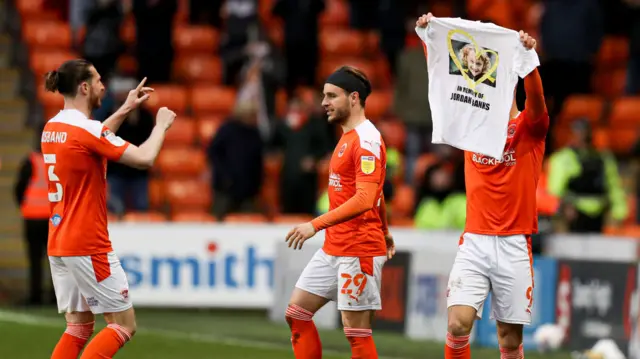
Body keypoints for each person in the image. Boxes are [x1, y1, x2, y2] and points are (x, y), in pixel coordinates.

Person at [417, 13, 549, 359]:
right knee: (457, 324)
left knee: (508, 339)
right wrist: (430, 36)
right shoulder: (473, 125)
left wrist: (528, 64)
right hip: (474, 241)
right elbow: (448, 83)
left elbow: (538, 106)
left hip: (514, 243)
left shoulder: (529, 131)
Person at [41, 59, 176, 359]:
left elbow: (94, 139)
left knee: (78, 328)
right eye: (99, 80)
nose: (104, 85)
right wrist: (161, 126)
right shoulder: (85, 130)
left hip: (59, 241)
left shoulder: (52, 127)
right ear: (84, 87)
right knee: (123, 325)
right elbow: (144, 158)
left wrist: (126, 108)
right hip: (88, 243)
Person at [284, 66, 396, 359]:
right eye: (324, 95)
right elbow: (377, 193)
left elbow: (365, 198)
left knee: (356, 333)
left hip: (358, 250)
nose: (324, 102)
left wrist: (314, 225)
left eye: (332, 96)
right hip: (335, 246)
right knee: (297, 313)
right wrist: (386, 231)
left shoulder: (367, 140)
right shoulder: (347, 137)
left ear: (354, 98)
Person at [14, 123, 53, 306]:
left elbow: (19, 187)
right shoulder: (57, 160)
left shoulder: (30, 161)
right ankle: (55, 297)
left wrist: (23, 205)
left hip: (32, 217)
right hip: (53, 218)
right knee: (55, 260)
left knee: (34, 258)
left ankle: (36, 295)